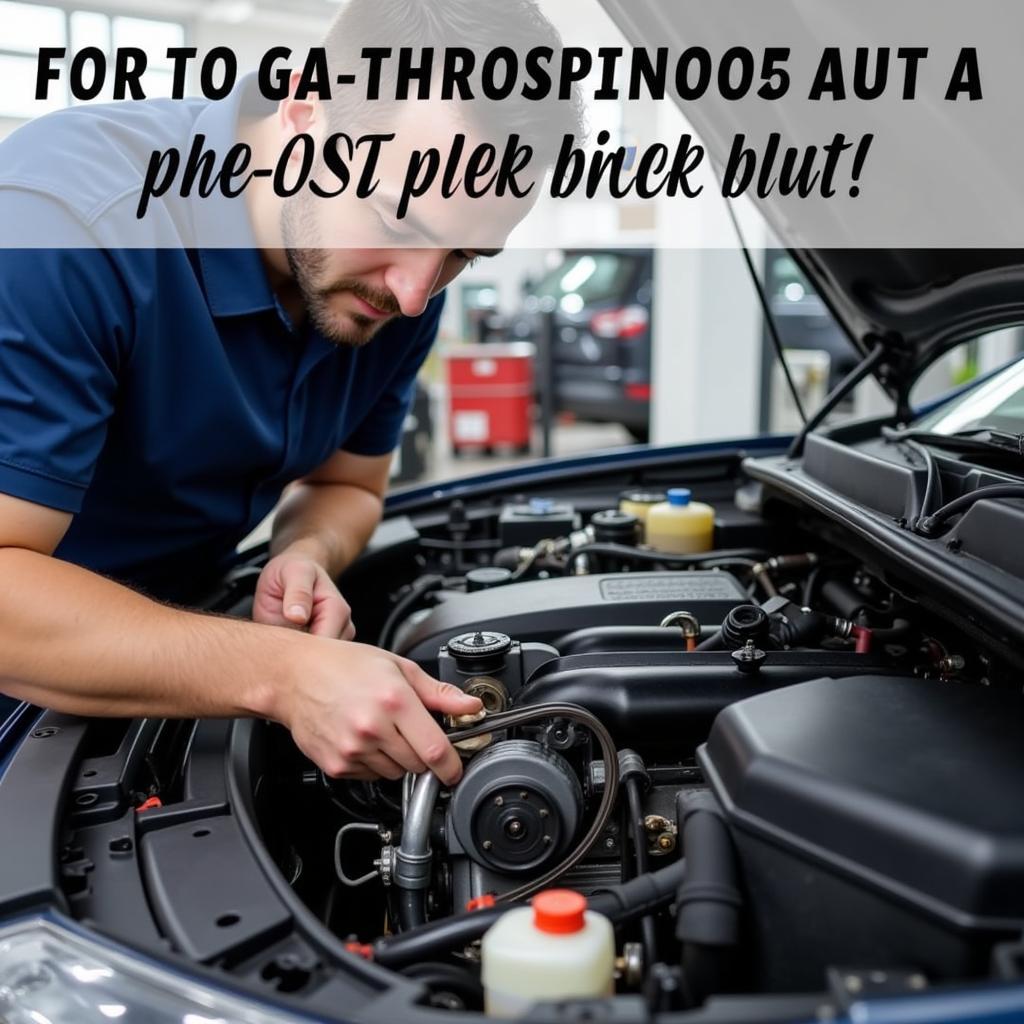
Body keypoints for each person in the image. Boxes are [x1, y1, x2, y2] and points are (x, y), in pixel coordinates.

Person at [0, 0, 580, 784]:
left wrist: (304, 551)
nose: (417, 296)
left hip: (172, 657)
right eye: (396, 220)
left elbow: (347, 483)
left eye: (464, 256)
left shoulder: (392, 290)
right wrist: (283, 671)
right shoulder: (67, 227)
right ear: (305, 106)